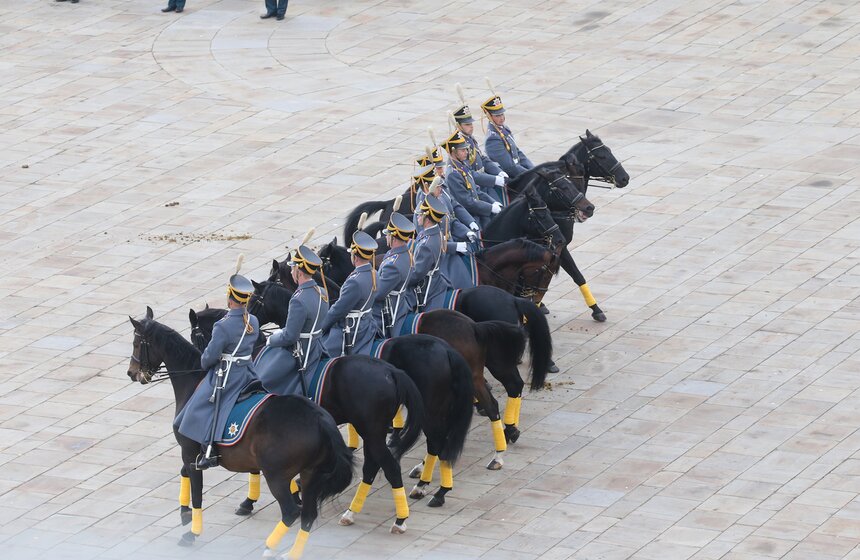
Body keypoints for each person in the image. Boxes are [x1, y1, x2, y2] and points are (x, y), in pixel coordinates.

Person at [174, 272, 260, 470]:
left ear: (230, 298)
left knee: (201, 405)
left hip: (228, 376)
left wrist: (205, 360)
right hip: (249, 372)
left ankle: (210, 449)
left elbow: (209, 357)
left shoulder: (223, 326)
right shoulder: (253, 321)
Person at [255, 245, 329, 396]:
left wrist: (272, 339)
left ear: (298, 272)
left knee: (262, 380)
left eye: (292, 268)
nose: (290, 271)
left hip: (300, 350)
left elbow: (290, 336)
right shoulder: (322, 292)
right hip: (317, 346)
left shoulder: (298, 299)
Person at [414, 176, 479, 289]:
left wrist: (466, 232)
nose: (441, 189)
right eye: (438, 187)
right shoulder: (423, 211)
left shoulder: (440, 201)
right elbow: (427, 241)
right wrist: (454, 247)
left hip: (449, 244)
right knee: (460, 282)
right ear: (429, 187)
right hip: (439, 255)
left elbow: (451, 221)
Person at [320, 231, 378, 356]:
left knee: (320, 350)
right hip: (368, 323)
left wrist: (321, 327)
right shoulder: (374, 273)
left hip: (353, 329)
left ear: (355, 256)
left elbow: (338, 311)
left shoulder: (354, 282)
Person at [452, 94, 508, 203]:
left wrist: (498, 172)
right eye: (467, 125)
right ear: (459, 126)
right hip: (476, 187)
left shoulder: (470, 139)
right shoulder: (460, 147)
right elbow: (469, 173)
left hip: (485, 183)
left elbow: (482, 159)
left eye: (471, 124)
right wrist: (494, 180)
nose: (471, 127)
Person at [444, 130, 501, 229]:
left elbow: (476, 190)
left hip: (477, 209)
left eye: (466, 149)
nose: (466, 152)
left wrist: (492, 202)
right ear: (453, 152)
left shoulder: (462, 165)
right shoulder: (453, 174)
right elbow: (467, 202)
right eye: (462, 150)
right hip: (470, 215)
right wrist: (490, 208)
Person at [373, 213, 415, 338]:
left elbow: (379, 295)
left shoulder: (394, 265)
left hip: (389, 308)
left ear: (393, 237)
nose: (386, 237)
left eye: (388, 235)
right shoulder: (402, 254)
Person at [409, 195, 453, 311]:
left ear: (427, 219)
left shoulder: (426, 245)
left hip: (428, 286)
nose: (417, 216)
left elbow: (417, 274)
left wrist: (401, 278)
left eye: (420, 214)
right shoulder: (435, 232)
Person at [482, 92, 534, 178]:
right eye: (497, 115)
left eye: (502, 114)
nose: (502, 117)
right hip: (509, 177)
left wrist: (533, 169)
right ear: (489, 117)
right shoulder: (492, 139)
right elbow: (509, 167)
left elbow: (517, 152)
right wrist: (530, 175)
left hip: (518, 170)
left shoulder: (503, 128)